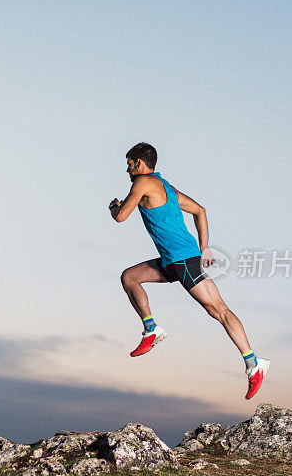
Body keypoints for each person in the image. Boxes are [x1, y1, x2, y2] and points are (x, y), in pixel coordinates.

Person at [109, 142, 269, 400]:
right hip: (172, 261)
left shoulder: (142, 183)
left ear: (140, 163)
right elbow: (200, 210)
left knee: (218, 310)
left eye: (129, 164)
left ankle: (254, 363)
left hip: (184, 260)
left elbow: (120, 216)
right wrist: (205, 248)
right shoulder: (167, 188)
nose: (127, 170)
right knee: (130, 277)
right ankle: (151, 329)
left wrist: (114, 207)